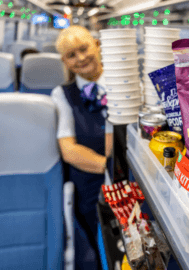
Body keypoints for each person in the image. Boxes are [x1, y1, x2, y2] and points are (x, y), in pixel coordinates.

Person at [51, 25, 113, 270]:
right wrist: (112, 169)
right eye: (71, 55)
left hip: (133, 180)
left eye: (84, 48)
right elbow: (70, 150)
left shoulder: (125, 82)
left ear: (97, 45)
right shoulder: (62, 94)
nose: (80, 58)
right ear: (64, 61)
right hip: (90, 187)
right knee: (103, 250)